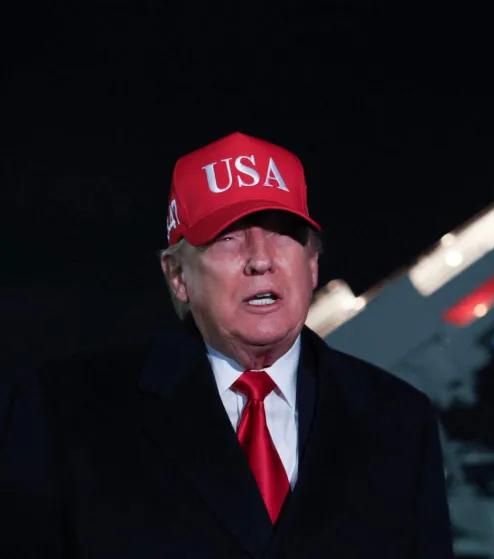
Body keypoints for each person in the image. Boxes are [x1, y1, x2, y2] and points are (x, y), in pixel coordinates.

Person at [0, 132, 455, 558]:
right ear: (178, 277)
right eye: (228, 237)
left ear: (312, 265)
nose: (261, 259)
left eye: (281, 232)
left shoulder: (399, 420)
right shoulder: (66, 411)